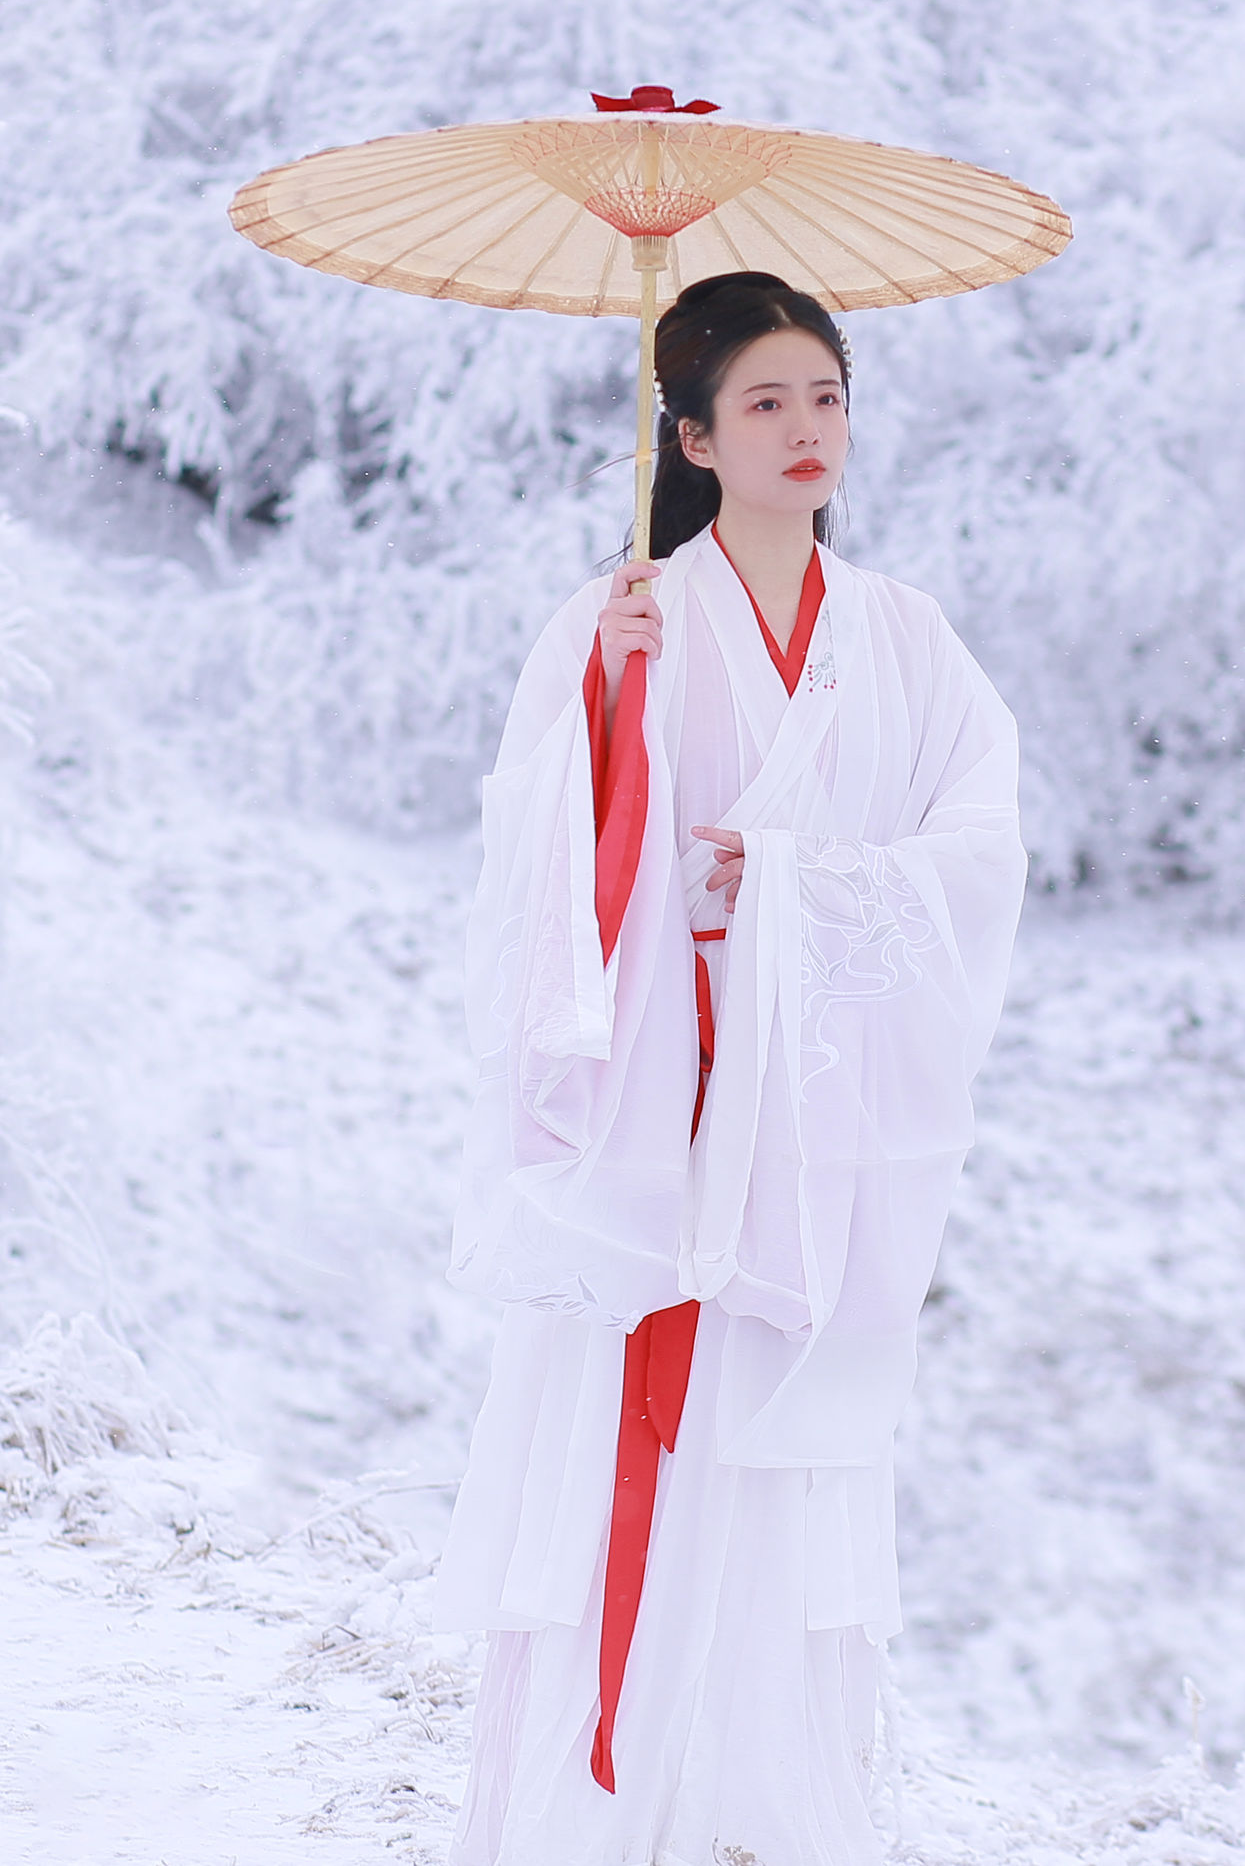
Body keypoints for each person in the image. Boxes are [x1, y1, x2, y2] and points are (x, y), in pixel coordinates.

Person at [432, 269, 1026, 1866]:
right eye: (760, 402)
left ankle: (759, 1809)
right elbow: (550, 877)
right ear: (687, 436)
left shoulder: (904, 637)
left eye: (824, 396)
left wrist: (802, 888)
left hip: (814, 1113)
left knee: (788, 1440)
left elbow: (977, 851)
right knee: (656, 1428)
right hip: (670, 1113)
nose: (804, 429)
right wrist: (605, 701)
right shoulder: (622, 617)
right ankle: (613, 1808)